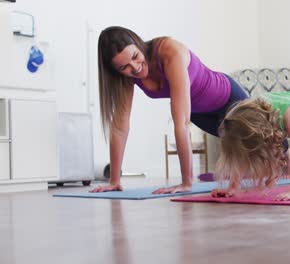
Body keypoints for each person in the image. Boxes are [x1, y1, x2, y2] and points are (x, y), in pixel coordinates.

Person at [90, 26, 248, 194]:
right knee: (244, 150)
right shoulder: (127, 77)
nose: (135, 67)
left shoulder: (169, 51)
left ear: (138, 44)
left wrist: (186, 182)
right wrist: (115, 180)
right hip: (200, 114)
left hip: (229, 98)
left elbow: (181, 124)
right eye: (124, 67)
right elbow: (120, 127)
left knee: (270, 143)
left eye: (135, 57)